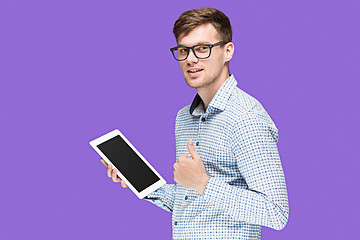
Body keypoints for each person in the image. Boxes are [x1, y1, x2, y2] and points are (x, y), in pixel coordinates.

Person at [100, 7, 289, 239]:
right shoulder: (184, 118)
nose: (191, 59)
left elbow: (276, 212)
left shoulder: (246, 117)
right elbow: (191, 204)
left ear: (227, 51)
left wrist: (203, 183)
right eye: (183, 50)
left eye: (202, 49)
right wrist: (139, 182)